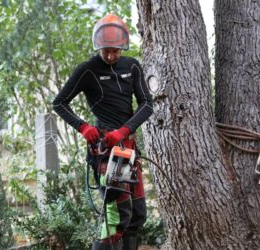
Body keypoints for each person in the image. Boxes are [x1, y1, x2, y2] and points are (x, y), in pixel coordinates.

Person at [52, 13, 153, 250]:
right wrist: (83, 126)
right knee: (117, 217)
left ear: (122, 47)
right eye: (106, 50)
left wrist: (125, 130)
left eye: (116, 51)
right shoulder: (88, 70)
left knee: (137, 214)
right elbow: (59, 103)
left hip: (127, 147)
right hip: (108, 152)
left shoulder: (132, 66)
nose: (111, 55)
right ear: (99, 46)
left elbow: (147, 104)